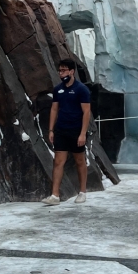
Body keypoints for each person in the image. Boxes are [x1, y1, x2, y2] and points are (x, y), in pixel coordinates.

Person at [42, 59, 92, 205]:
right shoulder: (58, 89)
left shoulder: (81, 89)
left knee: (79, 161)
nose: (61, 73)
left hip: (76, 130)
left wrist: (83, 133)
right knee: (58, 161)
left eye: (64, 70)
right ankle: (55, 195)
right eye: (60, 70)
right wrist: (51, 129)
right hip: (61, 129)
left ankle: (82, 192)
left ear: (72, 71)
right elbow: (54, 109)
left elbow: (86, 111)